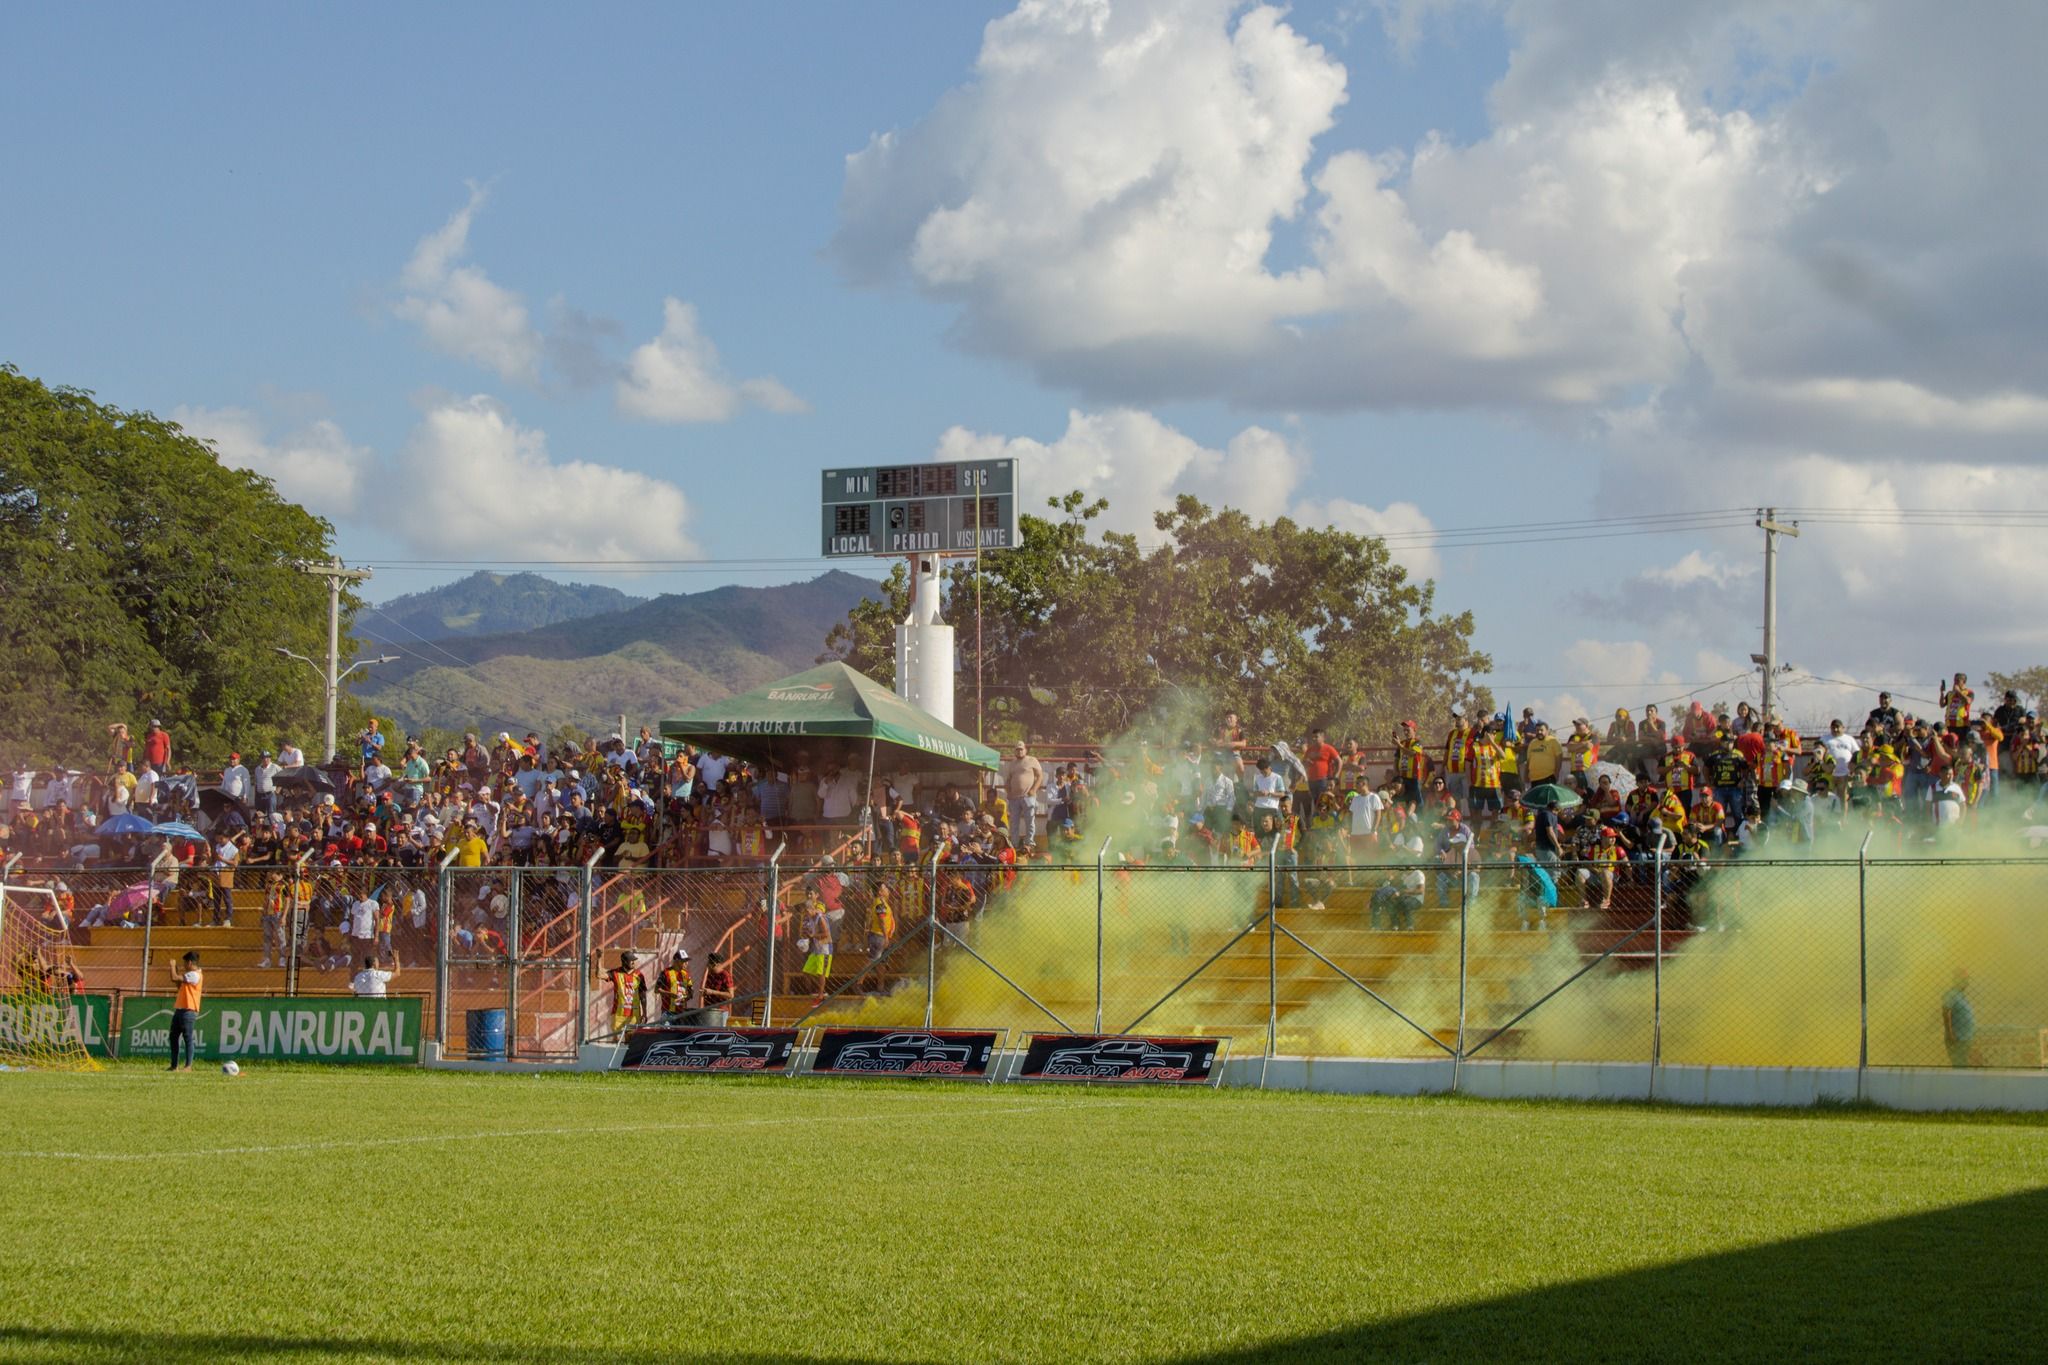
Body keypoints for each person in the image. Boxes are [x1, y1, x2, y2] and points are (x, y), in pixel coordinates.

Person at [999, 741, 1045, 849]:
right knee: (1014, 823)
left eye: (1021, 749)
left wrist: (1033, 790)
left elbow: (1040, 776)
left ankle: (1029, 843)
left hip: (1028, 797)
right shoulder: (1012, 763)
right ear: (1015, 751)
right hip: (1014, 798)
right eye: (1017, 749)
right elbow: (1007, 780)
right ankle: (1014, 844)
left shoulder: (1032, 760)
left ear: (1025, 750)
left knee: (1030, 821)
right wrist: (1009, 793)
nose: (1019, 751)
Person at [167, 950, 202, 1071]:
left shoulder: (194, 974)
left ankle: (188, 1066)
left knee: (187, 1037)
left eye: (185, 963)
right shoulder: (190, 975)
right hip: (181, 1008)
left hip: (188, 1010)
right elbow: (178, 985)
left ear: (190, 962)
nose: (184, 966)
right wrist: (175, 972)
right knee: (173, 1036)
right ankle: (174, 1065)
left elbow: (174, 978)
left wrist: (172, 967)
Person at [607, 951, 647, 1038]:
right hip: (618, 1014)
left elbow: (643, 995)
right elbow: (600, 975)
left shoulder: (639, 975)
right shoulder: (616, 972)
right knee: (616, 1039)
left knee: (630, 1039)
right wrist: (599, 958)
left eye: (634, 960)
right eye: (631, 960)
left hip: (634, 1015)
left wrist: (644, 1013)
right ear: (624, 962)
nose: (633, 962)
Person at [1941, 970, 1975, 1068]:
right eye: (1964, 980)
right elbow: (1945, 1012)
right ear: (1957, 981)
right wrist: (1950, 1033)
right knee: (1960, 1066)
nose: (1967, 983)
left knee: (1963, 1065)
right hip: (1957, 1039)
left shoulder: (1960, 995)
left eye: (1967, 980)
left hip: (1965, 1038)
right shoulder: (1951, 994)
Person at [657, 950, 693, 1022]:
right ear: (676, 961)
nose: (687, 963)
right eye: (684, 961)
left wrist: (686, 997)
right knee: (666, 1032)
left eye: (687, 961)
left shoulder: (686, 974)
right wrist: (670, 994)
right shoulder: (665, 972)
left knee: (680, 1032)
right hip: (668, 1011)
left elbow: (691, 991)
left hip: (682, 1012)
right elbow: (657, 989)